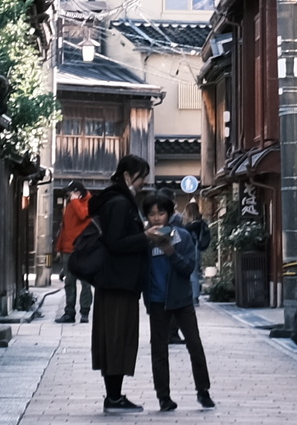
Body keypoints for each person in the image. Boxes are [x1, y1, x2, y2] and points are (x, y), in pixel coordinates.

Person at [88, 155, 153, 410]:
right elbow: (115, 242)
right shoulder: (119, 203)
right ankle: (113, 396)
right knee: (117, 339)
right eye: (141, 176)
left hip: (117, 282)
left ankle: (114, 395)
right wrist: (144, 237)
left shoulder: (117, 200)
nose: (144, 182)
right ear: (127, 176)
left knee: (116, 339)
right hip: (118, 283)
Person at [143, 193, 214, 411]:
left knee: (194, 345)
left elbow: (188, 268)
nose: (156, 219)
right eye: (152, 214)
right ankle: (163, 396)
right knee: (159, 351)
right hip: (156, 300)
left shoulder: (182, 237)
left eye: (161, 213)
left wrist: (170, 251)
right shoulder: (144, 241)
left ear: (169, 215)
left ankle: (203, 391)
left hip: (181, 300)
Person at [54, 182, 93, 323]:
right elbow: (64, 228)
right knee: (69, 282)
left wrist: (75, 200)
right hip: (67, 249)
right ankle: (69, 312)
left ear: (77, 192)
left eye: (70, 192)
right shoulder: (70, 205)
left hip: (83, 248)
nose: (68, 195)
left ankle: (84, 311)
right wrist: (59, 249)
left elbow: (83, 214)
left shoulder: (89, 202)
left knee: (85, 282)